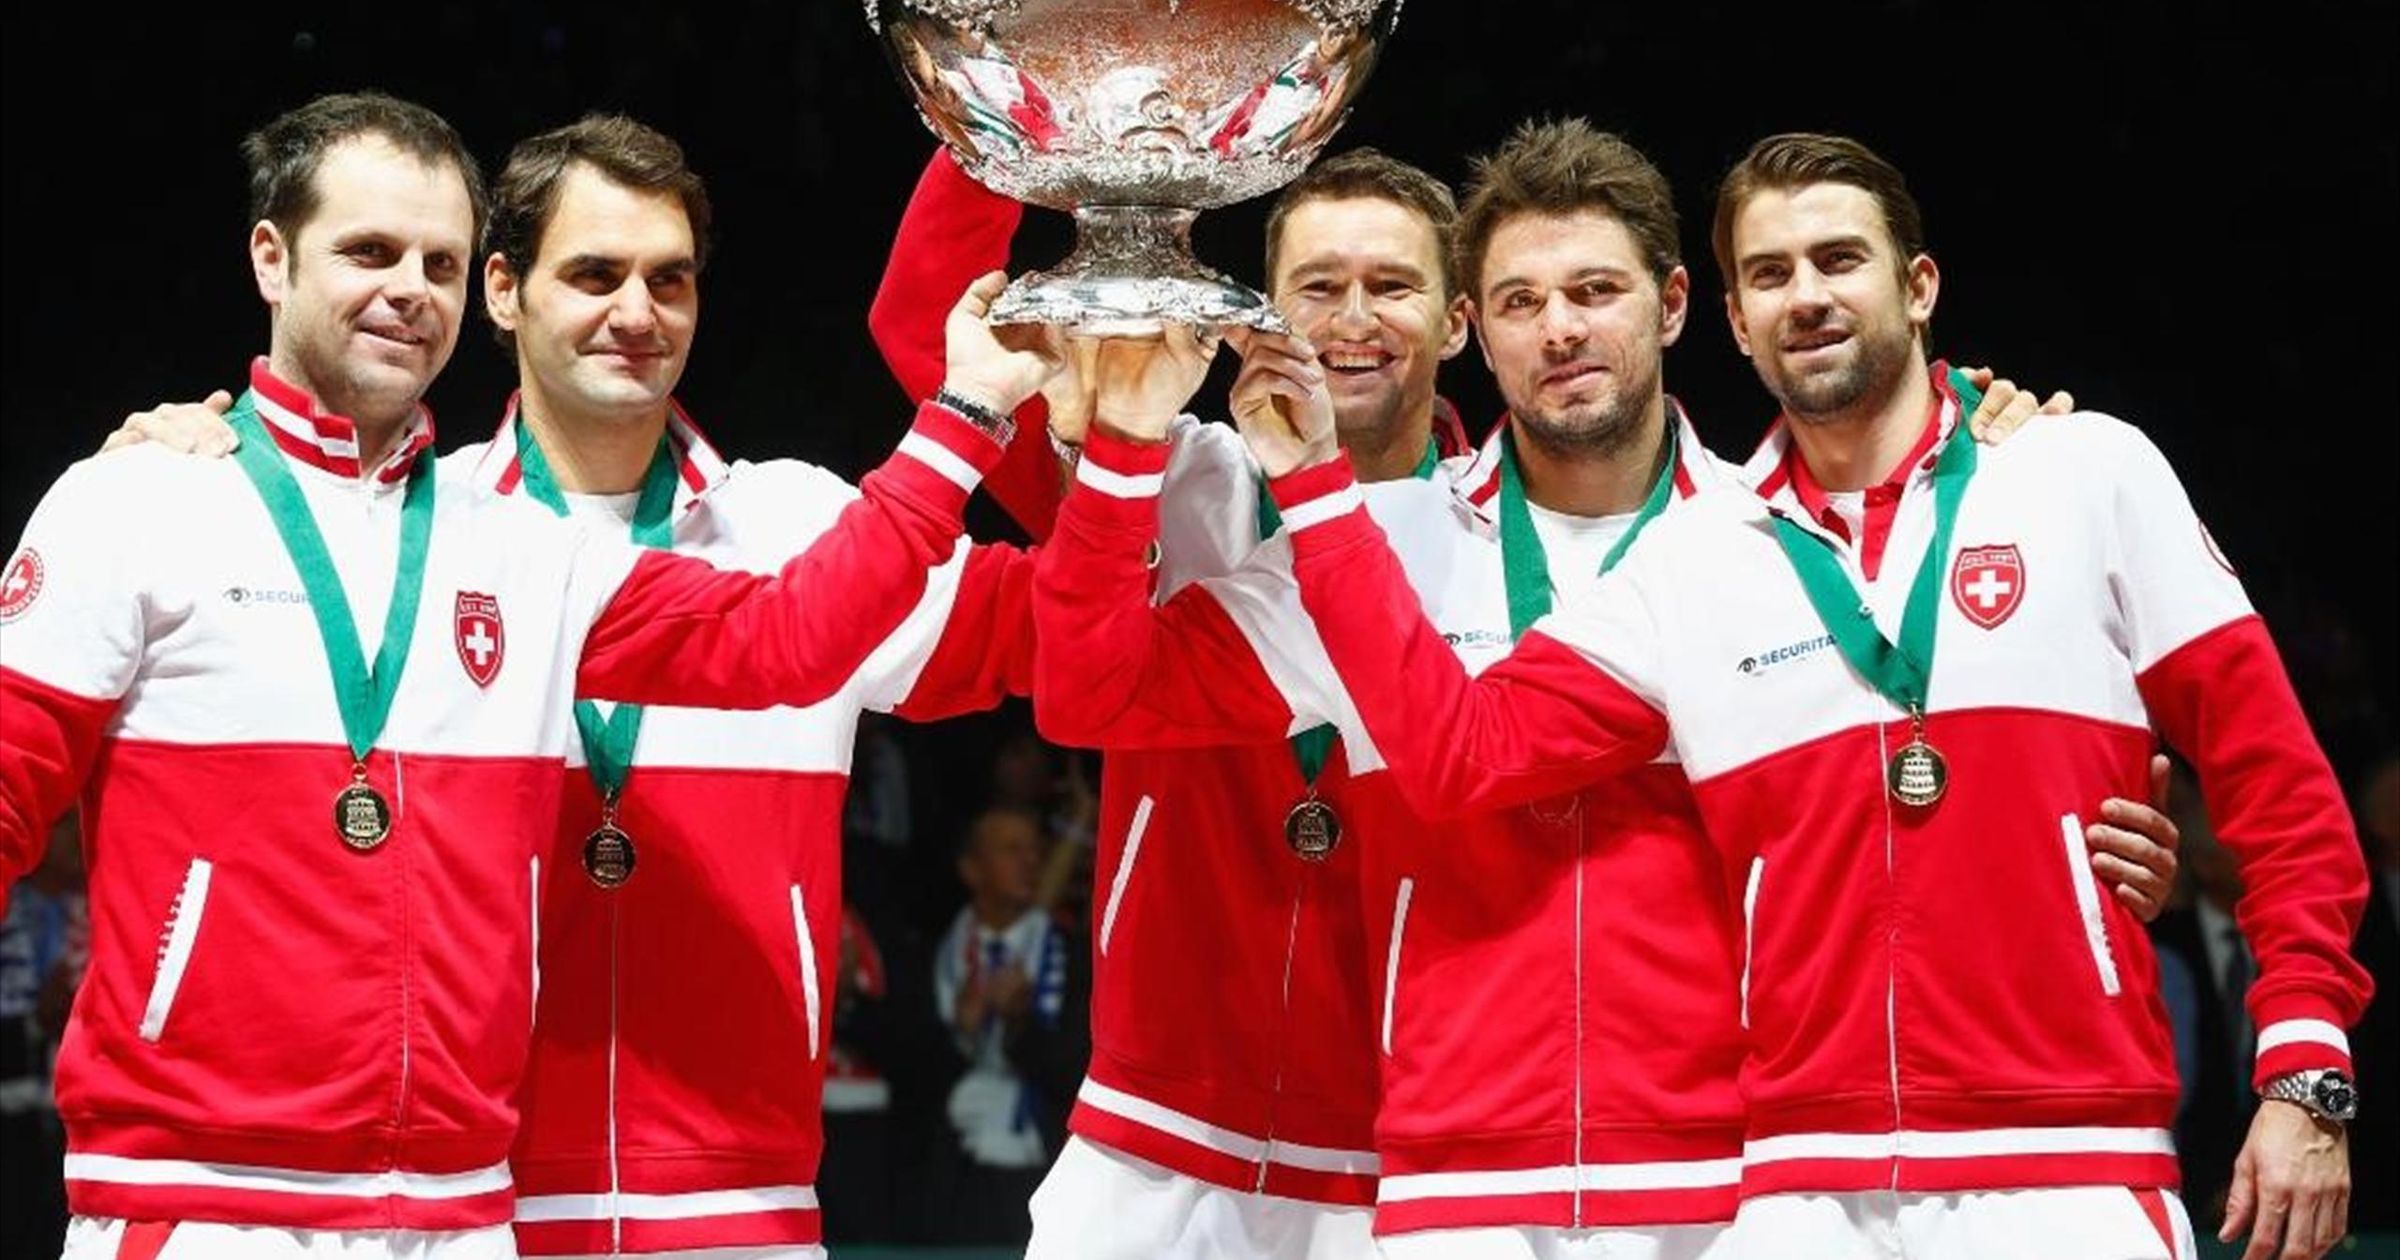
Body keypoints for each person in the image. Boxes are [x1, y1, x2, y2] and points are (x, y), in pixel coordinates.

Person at [1034, 119, 2183, 1260]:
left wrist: (2088, 837)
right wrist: (1130, 440)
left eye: (1596, 291)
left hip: (1731, 1191)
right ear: (1476, 331)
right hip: (1457, 1194)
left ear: (1677, 305)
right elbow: (1093, 696)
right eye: (1524, 304)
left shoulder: (1779, 549)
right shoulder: (1380, 544)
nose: (1564, 330)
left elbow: (1918, 802)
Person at [0, 91, 1044, 1258]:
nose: (408, 287)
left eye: (436, 260)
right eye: (369, 251)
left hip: (459, 1216)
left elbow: (790, 638)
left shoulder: (524, 556)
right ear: (270, 258)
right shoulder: (143, 497)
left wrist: (963, 418)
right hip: (201, 1201)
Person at [869, 145, 1484, 1258]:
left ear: (1457, 323)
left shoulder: (1496, 535)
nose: (1353, 319)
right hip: (1154, 1133)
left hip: (1403, 1149)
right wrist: (1022, 124)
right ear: (1256, 313)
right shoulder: (1151, 468)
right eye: (1317, 286)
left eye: (1392, 287)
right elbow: (927, 325)